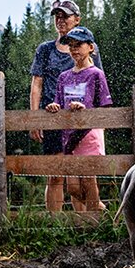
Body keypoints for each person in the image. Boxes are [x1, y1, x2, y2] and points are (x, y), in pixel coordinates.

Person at [30, 0, 103, 212]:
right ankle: (54, 225)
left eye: (65, 16)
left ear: (77, 19)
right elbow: (37, 84)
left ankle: (87, 221)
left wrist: (94, 117)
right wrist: (35, 119)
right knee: (55, 174)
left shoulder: (89, 48)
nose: (60, 21)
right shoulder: (45, 50)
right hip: (52, 117)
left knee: (82, 178)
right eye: (57, 17)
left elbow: (97, 82)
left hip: (80, 120)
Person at [45, 27, 112, 212]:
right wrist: (54, 107)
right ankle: (100, 209)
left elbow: (105, 107)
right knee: (73, 187)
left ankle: (93, 223)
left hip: (89, 133)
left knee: (89, 181)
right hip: (69, 136)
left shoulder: (96, 74)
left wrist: (86, 111)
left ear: (91, 47)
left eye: (79, 45)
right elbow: (59, 103)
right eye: (71, 46)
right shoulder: (63, 77)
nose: (74, 49)